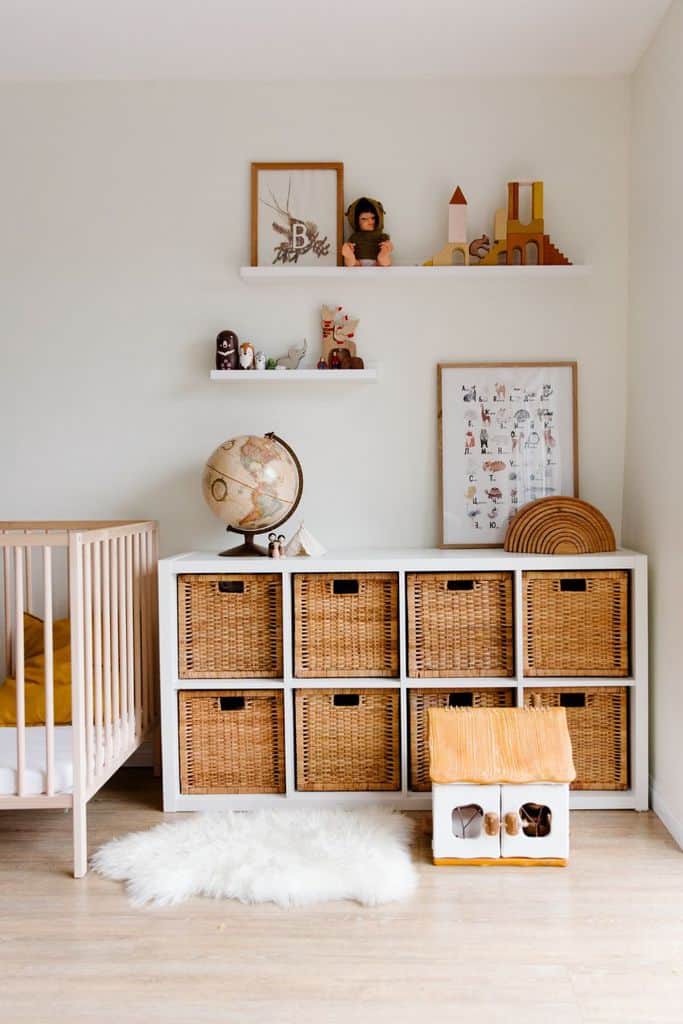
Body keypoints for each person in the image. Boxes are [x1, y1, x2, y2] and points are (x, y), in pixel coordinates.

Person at [342, 197, 393, 267]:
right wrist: (349, 249)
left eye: (373, 218)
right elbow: (352, 246)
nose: (370, 222)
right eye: (364, 219)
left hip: (377, 262)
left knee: (385, 261)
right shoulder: (354, 237)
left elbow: (386, 244)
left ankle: (382, 257)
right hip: (359, 263)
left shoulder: (381, 236)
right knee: (351, 262)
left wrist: (386, 248)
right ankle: (349, 256)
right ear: (356, 221)